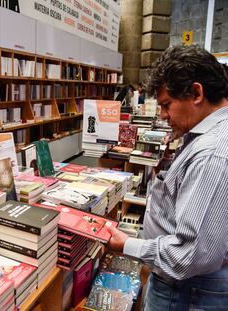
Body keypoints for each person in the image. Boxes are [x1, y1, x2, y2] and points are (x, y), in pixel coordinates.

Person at [106, 44, 228, 310]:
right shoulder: (207, 135)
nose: (162, 115)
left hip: (187, 291)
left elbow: (190, 255)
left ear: (196, 93)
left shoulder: (212, 154)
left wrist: (129, 245)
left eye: (166, 105)